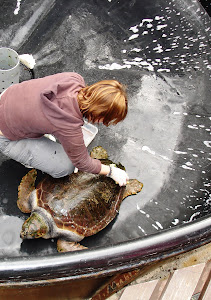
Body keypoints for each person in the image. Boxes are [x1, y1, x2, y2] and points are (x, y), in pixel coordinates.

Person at [0, 72, 129, 186]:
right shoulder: (67, 124)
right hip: (5, 135)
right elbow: (82, 163)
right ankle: (28, 154)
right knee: (66, 166)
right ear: (99, 113)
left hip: (7, 96)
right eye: (105, 120)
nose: (104, 123)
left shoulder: (74, 79)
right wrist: (111, 171)